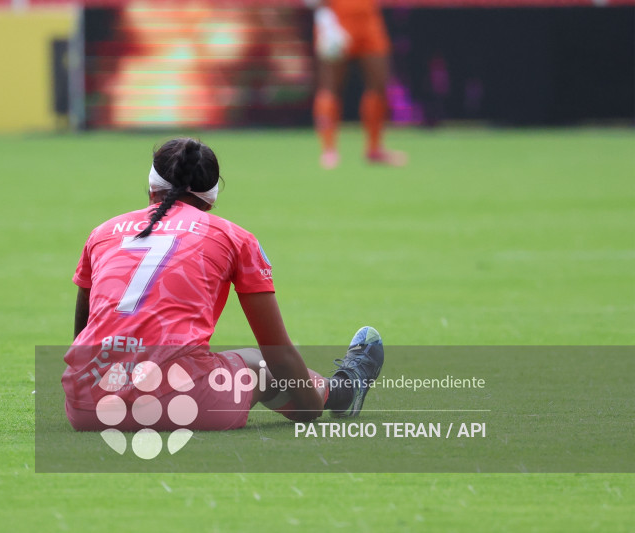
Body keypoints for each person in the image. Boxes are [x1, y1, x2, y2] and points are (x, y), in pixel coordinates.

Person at [63, 137, 384, 432]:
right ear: (212, 197)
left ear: (151, 187)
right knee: (257, 363)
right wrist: (312, 409)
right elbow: (278, 352)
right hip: (182, 405)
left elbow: (83, 336)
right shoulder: (233, 237)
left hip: (89, 407)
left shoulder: (103, 232)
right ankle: (342, 392)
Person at [311, 0, 407, 169]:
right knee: (330, 85)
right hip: (337, 17)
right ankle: (328, 150)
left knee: (379, 83)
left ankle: (374, 149)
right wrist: (326, 21)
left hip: (368, 18)